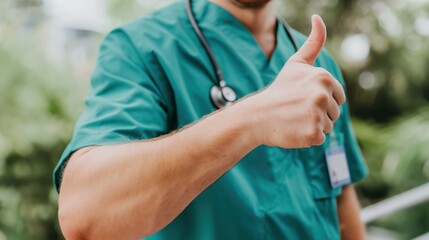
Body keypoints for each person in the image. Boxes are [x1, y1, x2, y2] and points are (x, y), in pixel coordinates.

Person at [54, 0, 368, 239]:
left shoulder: (320, 62)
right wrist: (253, 118)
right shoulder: (141, 48)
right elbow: (84, 213)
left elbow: (341, 200)